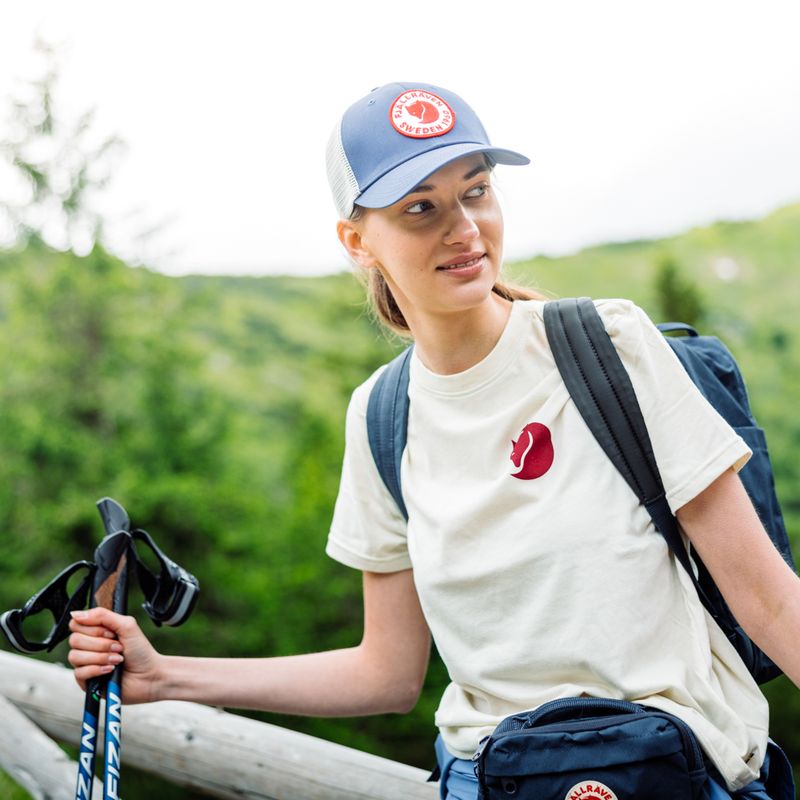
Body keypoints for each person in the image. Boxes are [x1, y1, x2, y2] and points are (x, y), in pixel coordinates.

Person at [68, 82, 800, 800]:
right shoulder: (382, 415)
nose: (464, 229)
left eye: (476, 191)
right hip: (497, 782)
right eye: (421, 208)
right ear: (358, 242)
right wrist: (166, 676)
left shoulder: (610, 345)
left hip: (690, 776)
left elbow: (768, 600)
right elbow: (386, 672)